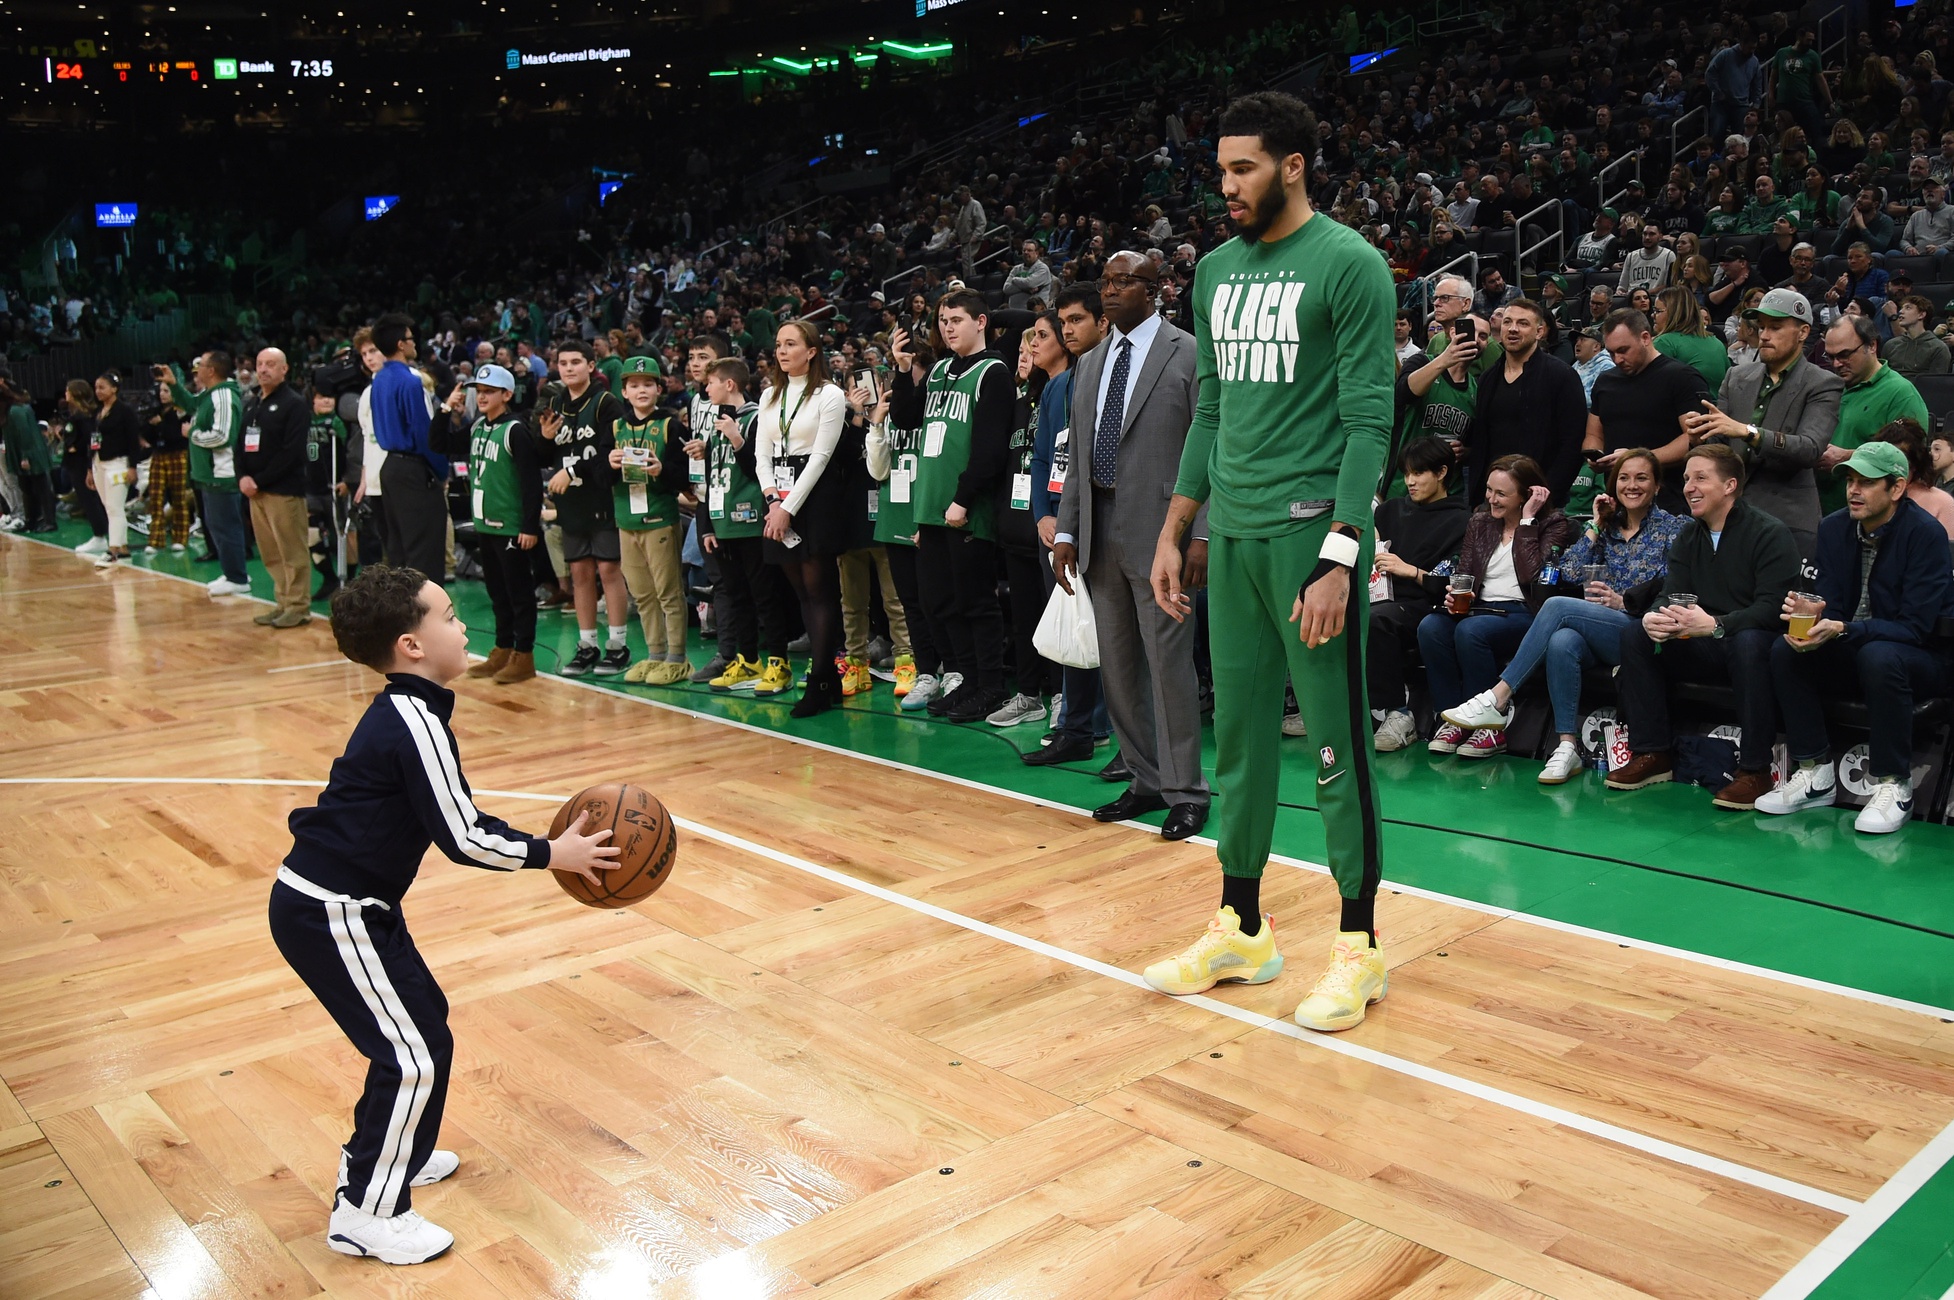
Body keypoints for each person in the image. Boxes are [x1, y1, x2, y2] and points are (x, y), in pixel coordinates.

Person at [271, 566, 617, 1266]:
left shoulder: (409, 711)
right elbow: (462, 836)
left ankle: (389, 1154)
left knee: (422, 1022)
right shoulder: (413, 721)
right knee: (412, 1053)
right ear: (412, 646)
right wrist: (556, 853)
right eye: (450, 615)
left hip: (349, 905)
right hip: (331, 910)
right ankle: (368, 1210)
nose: (463, 626)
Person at [1145, 91, 1398, 1032]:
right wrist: (1178, 527)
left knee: (1335, 746)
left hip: (1311, 536)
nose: (1228, 186)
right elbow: (1209, 410)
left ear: (1293, 165)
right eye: (1221, 171)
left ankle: (1360, 945)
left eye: (1243, 168)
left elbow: (1373, 419)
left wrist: (1340, 556)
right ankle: (1243, 927)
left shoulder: (1351, 264)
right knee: (1242, 742)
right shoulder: (1213, 271)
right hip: (1236, 536)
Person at [1048, 249, 1209, 831]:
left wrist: (1202, 536)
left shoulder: (1188, 352)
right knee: (1117, 667)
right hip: (1098, 529)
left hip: (1164, 531)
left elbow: (1209, 448)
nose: (1111, 291)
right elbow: (1080, 456)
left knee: (1168, 665)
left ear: (1156, 289)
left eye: (1124, 282)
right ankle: (1144, 779)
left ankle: (1186, 788)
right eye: (1106, 282)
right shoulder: (1090, 362)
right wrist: (1067, 529)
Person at [1442, 449, 1684, 782]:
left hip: (1641, 630)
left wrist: (1625, 603)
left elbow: (1676, 583)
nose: (1631, 486)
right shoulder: (1607, 528)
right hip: (1597, 628)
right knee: (1561, 640)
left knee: (1556, 607)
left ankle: (1496, 698)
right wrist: (1596, 526)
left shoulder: (1676, 528)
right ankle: (1567, 746)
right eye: (1624, 478)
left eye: (1641, 478)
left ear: (1657, 486)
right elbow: (1566, 571)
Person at [1756, 440, 1954, 833]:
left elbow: (1915, 628)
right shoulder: (1834, 527)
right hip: (1857, 644)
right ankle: (1815, 772)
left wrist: (1844, 629)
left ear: (1896, 488)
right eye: (1850, 480)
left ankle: (1893, 784)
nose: (1853, 490)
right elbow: (1832, 604)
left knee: (1880, 655)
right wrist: (1813, 616)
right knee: (1785, 649)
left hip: (1922, 657)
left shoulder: (1926, 535)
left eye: (1866, 482)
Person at [1607, 443, 1802, 808]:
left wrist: (1716, 624)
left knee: (1750, 643)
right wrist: (1656, 616)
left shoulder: (1769, 532)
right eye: (1685, 479)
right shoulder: (1689, 535)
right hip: (1702, 639)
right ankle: (1653, 754)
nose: (1688, 487)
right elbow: (1672, 592)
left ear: (1729, 485)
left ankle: (1755, 769)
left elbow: (1773, 608)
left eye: (1700, 478)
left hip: (1750, 642)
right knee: (1635, 634)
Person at [889, 290, 1015, 722]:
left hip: (967, 511)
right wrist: (904, 371)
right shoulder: (940, 368)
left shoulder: (993, 372)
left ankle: (990, 686)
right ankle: (964, 679)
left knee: (976, 602)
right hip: (932, 509)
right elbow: (905, 419)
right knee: (940, 602)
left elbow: (990, 449)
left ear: (981, 322)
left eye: (957, 319)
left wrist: (963, 499)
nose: (947, 327)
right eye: (943, 320)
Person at [1420, 455, 1575, 757]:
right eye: (1489, 490)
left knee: (1471, 631)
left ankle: (1488, 729)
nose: (1491, 499)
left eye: (1501, 493)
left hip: (1525, 613)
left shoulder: (1554, 525)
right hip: (1480, 607)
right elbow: (1465, 571)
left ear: (1527, 495)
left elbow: (1534, 577)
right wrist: (1456, 594)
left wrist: (1528, 522)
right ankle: (1452, 718)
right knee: (1431, 627)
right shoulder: (1480, 521)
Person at [1024, 285, 1114, 764]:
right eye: (1064, 322)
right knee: (1071, 626)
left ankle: (1107, 726)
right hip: (1057, 524)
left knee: (1114, 633)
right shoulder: (1059, 384)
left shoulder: (1117, 376)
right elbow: (1042, 458)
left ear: (1103, 323)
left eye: (1077, 320)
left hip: (1102, 522)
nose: (1067, 330)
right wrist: (1044, 513)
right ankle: (1075, 727)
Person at [1682, 289, 1842, 557]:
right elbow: (1719, 447)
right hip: (1729, 515)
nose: (1764, 335)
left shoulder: (1823, 383)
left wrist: (1748, 432)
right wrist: (1700, 437)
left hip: (1788, 520)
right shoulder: (1736, 377)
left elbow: (1809, 449)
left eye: (1775, 327)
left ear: (1803, 332)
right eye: (1761, 327)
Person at [755, 318, 854, 716]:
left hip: (815, 497)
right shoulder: (768, 396)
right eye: (778, 344)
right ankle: (826, 677)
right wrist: (772, 500)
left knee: (820, 591)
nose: (781, 351)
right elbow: (762, 453)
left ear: (811, 351)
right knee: (799, 591)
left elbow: (821, 458)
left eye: (790, 344)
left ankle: (819, 679)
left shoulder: (829, 395)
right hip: (777, 494)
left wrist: (788, 507)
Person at [433, 364, 543, 684]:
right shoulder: (479, 426)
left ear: (506, 395)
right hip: (485, 523)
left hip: (511, 526)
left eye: (489, 392)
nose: (481, 397)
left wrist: (529, 527)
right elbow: (439, 443)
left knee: (518, 593)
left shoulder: (515, 430)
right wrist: (445, 408)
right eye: (478, 392)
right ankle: (503, 648)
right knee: (496, 591)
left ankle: (524, 655)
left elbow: (531, 483)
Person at [695, 357, 792, 694]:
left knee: (765, 596)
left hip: (751, 522)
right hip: (722, 525)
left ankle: (778, 662)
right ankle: (747, 658)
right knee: (735, 597)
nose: (706, 388)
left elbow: (759, 469)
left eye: (711, 382)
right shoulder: (717, 424)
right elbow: (709, 479)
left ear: (729, 384)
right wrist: (707, 526)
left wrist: (737, 439)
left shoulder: (755, 419)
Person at [1366, 437, 1470, 751]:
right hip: (1377, 595)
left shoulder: (1461, 520)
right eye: (1407, 473)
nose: (1410, 481)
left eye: (1419, 473)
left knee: (1376, 619)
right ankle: (1326, 706)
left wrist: (1409, 570)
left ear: (1441, 472)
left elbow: (1451, 580)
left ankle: (1399, 715)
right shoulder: (1390, 511)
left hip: (1424, 604)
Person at [539, 339, 631, 678]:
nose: (568, 368)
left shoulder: (607, 403)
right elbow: (542, 456)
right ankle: (587, 644)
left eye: (576, 362)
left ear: (591, 366)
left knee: (608, 570)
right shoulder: (555, 403)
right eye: (563, 363)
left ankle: (618, 645)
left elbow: (612, 453)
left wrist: (574, 470)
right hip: (571, 501)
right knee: (579, 574)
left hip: (602, 497)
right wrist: (545, 440)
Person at [989, 320, 1064, 728]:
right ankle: (1029, 693)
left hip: (1049, 528)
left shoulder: (1057, 395)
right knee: (1025, 619)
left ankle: (1060, 696)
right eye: (1023, 347)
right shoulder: (1018, 403)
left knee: (1058, 619)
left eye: (1035, 343)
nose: (1027, 352)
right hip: (1017, 527)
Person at [606, 355, 693, 684]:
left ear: (659, 389)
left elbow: (685, 475)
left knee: (668, 592)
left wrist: (662, 471)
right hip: (626, 519)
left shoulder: (670, 425)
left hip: (659, 519)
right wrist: (609, 463)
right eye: (633, 385)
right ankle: (655, 654)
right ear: (624, 391)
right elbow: (601, 475)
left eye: (648, 384)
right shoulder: (615, 427)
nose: (641, 390)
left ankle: (677, 657)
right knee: (641, 593)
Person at [1585, 308, 1713, 511]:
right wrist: (1596, 456)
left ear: (1645, 338)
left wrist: (1638, 460)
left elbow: (1694, 439)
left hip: (1668, 500)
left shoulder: (1681, 377)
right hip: (1617, 499)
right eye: (1611, 352)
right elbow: (1593, 432)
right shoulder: (1605, 381)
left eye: (1623, 350)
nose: (1617, 359)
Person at [1462, 299, 1588, 503]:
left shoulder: (1561, 375)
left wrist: (1550, 495)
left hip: (1541, 497)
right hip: (1492, 498)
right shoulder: (1488, 378)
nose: (1513, 329)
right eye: (1507, 322)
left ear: (1539, 332)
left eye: (1523, 323)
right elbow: (1482, 439)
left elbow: (1572, 443)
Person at [1815, 311, 1928, 518]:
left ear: (1872, 346)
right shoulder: (1829, 387)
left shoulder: (1900, 393)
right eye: (1830, 357)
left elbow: (1910, 458)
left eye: (1844, 354)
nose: (1836, 364)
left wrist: (1848, 456)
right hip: (1820, 512)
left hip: (1871, 518)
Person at [234, 348, 313, 624]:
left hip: (283, 490)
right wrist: (242, 476)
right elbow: (240, 445)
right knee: (271, 552)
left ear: (284, 369)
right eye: (260, 364)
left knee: (292, 551)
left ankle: (298, 606)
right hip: (256, 492)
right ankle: (282, 602)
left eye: (271, 364)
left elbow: (292, 452)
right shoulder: (253, 403)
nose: (264, 369)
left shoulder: (294, 404)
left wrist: (259, 479)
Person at [369, 314, 447, 584]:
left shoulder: (378, 379)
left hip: (389, 467)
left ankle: (401, 618)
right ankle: (428, 620)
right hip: (414, 469)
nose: (415, 344)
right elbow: (424, 433)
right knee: (424, 553)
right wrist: (441, 470)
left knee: (398, 551)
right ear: (402, 344)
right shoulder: (412, 381)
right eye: (411, 339)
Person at [169, 353, 251, 597]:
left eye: (201, 367)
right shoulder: (210, 394)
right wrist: (173, 384)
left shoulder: (224, 396)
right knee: (217, 527)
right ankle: (231, 572)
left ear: (212, 370)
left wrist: (192, 433)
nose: (197, 371)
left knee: (227, 528)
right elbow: (192, 405)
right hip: (208, 474)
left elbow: (223, 436)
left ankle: (238, 577)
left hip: (221, 474)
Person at [88, 371, 143, 568]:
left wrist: (132, 467)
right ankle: (124, 548)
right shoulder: (98, 412)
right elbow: (93, 441)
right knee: (108, 506)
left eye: (102, 387)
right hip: (99, 464)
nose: (98, 391)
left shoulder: (125, 411)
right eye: (96, 388)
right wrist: (89, 468)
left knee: (114, 508)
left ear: (114, 389)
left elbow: (133, 441)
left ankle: (112, 551)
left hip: (118, 463)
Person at [305, 385, 356, 599]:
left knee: (344, 533)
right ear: (313, 401)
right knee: (312, 535)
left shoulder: (338, 423)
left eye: (330, 397)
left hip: (335, 487)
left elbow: (350, 452)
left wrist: (347, 480)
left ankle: (351, 580)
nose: (326, 401)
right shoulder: (304, 423)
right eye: (321, 397)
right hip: (311, 489)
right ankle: (328, 577)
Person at [1876, 418, 1954, 536]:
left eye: (1901, 458)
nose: (1891, 466)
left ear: (1915, 461)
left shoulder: (1943, 503)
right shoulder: (1867, 494)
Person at [3, 373, 57, 533]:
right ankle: (31, 520)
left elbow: (24, 434)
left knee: (42, 487)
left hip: (31, 453)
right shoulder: (10, 410)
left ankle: (50, 521)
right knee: (26, 488)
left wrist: (25, 456)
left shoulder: (16, 410)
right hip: (22, 452)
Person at [58, 379, 107, 556]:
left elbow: (90, 440)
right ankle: (100, 534)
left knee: (89, 499)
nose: (65, 394)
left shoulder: (83, 417)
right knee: (87, 498)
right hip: (79, 462)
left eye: (68, 390)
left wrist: (75, 447)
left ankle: (100, 535)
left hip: (81, 462)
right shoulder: (80, 415)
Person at [1652, 285, 1731, 393]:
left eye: (1658, 311)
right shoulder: (1717, 343)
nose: (1653, 315)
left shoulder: (1664, 342)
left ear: (1674, 313)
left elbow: (1654, 390)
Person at [1883, 295, 1953, 378]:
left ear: (1921, 315)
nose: (1901, 311)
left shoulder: (1938, 348)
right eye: (1901, 308)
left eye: (1908, 308)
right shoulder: (1890, 345)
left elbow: (1936, 384)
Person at [1617, 223, 1677, 297]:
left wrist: (1644, 293)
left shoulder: (1668, 255)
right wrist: (1619, 292)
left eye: (1652, 234)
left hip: (1656, 299)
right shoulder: (1631, 256)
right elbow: (1622, 286)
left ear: (1660, 237)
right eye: (1645, 234)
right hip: (1631, 300)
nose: (1647, 237)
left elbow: (1668, 286)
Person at [1003, 239, 1055, 310]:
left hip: (1034, 312)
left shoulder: (1042, 268)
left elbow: (1029, 283)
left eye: (1029, 250)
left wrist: (1015, 280)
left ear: (1036, 253)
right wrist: (1025, 289)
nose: (1026, 252)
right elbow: (1006, 289)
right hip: (1014, 310)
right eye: (1024, 250)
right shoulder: (1016, 269)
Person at [1571, 326, 1614, 402]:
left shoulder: (1606, 367)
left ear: (1596, 346)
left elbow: (1598, 399)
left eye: (1582, 340)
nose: (1577, 344)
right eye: (1577, 340)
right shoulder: (1575, 365)